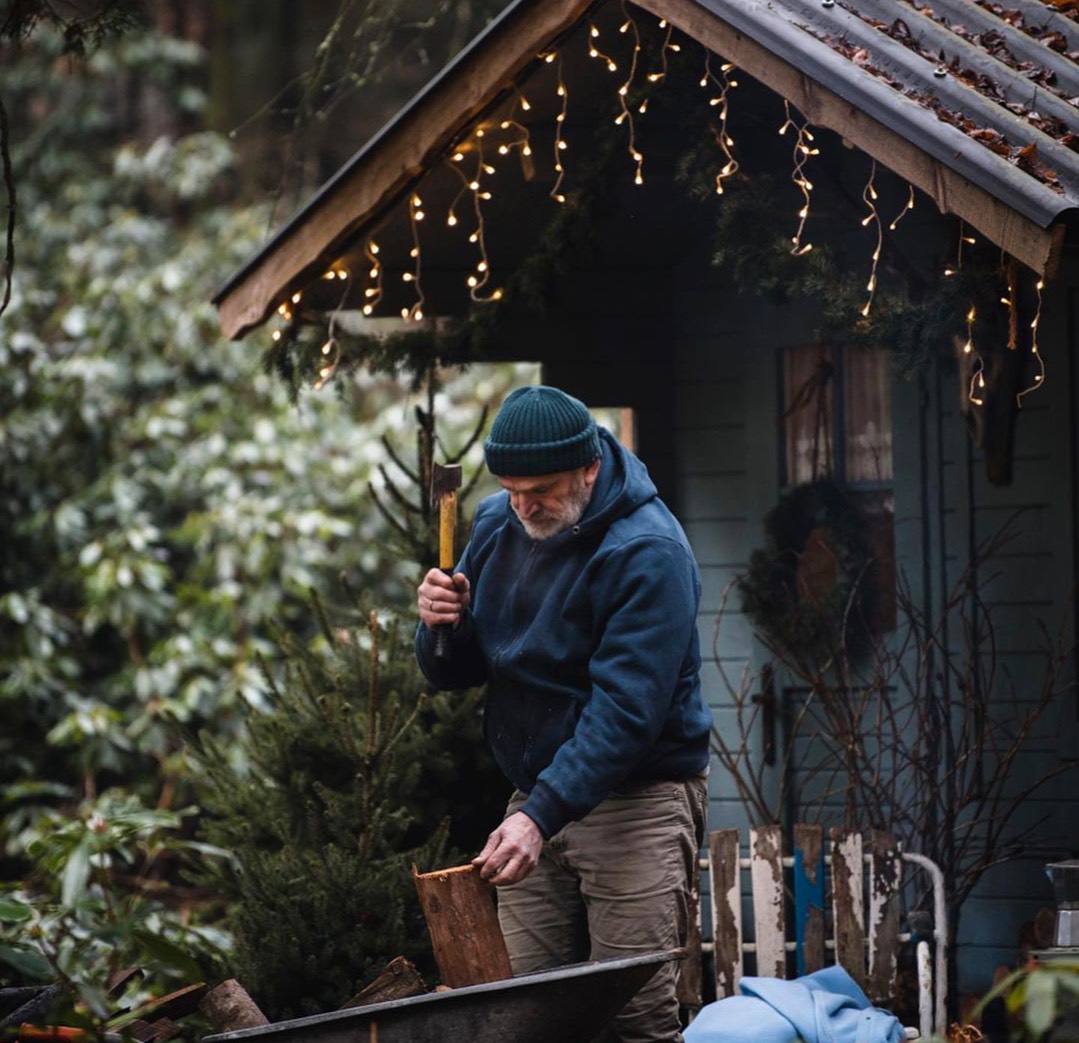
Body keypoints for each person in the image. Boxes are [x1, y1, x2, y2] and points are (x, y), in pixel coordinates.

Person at [415, 385, 712, 1043]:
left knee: (635, 1011)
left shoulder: (647, 550)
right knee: (523, 1009)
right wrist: (441, 624)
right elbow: (453, 671)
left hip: (636, 795)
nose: (523, 506)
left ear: (588, 467)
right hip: (537, 796)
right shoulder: (498, 524)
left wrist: (537, 814)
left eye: (540, 489)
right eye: (511, 488)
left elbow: (627, 714)